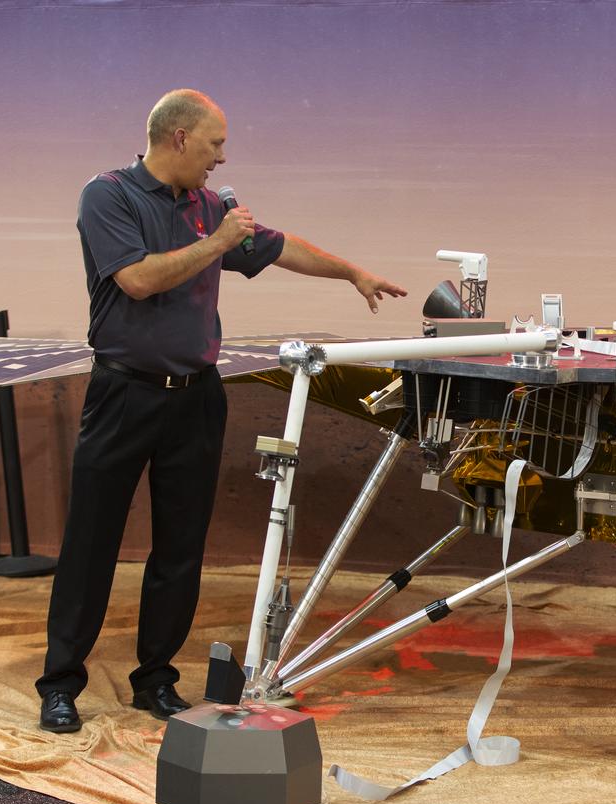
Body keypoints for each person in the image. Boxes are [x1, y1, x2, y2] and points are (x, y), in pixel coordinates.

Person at [37, 89, 407, 732]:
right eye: (215, 144)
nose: (221, 158)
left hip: (196, 397)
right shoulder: (108, 195)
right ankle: (61, 683)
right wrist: (218, 242)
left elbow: (279, 246)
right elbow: (138, 279)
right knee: (91, 544)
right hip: (124, 392)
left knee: (181, 547)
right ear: (179, 137)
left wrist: (352, 272)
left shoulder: (210, 208)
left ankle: (155, 680)